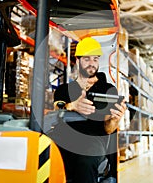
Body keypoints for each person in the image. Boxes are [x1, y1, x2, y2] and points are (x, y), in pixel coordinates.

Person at [53, 37, 126, 183]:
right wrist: (72, 106)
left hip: (92, 141)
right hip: (63, 138)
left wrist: (115, 120)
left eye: (95, 59)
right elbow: (57, 108)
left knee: (85, 161)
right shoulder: (65, 89)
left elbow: (108, 129)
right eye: (87, 59)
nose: (92, 64)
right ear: (78, 60)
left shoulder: (108, 90)